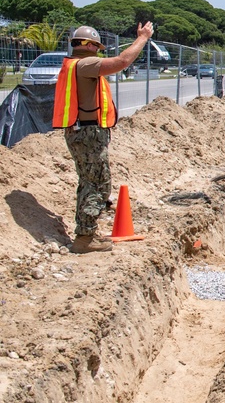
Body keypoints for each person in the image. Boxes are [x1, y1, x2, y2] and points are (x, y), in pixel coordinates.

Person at [53, 22, 155, 253]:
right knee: (99, 184)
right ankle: (85, 238)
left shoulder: (72, 65)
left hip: (81, 131)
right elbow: (122, 62)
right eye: (96, 47)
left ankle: (86, 232)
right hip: (88, 133)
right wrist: (142, 39)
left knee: (89, 182)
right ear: (88, 45)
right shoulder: (85, 64)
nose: (98, 51)